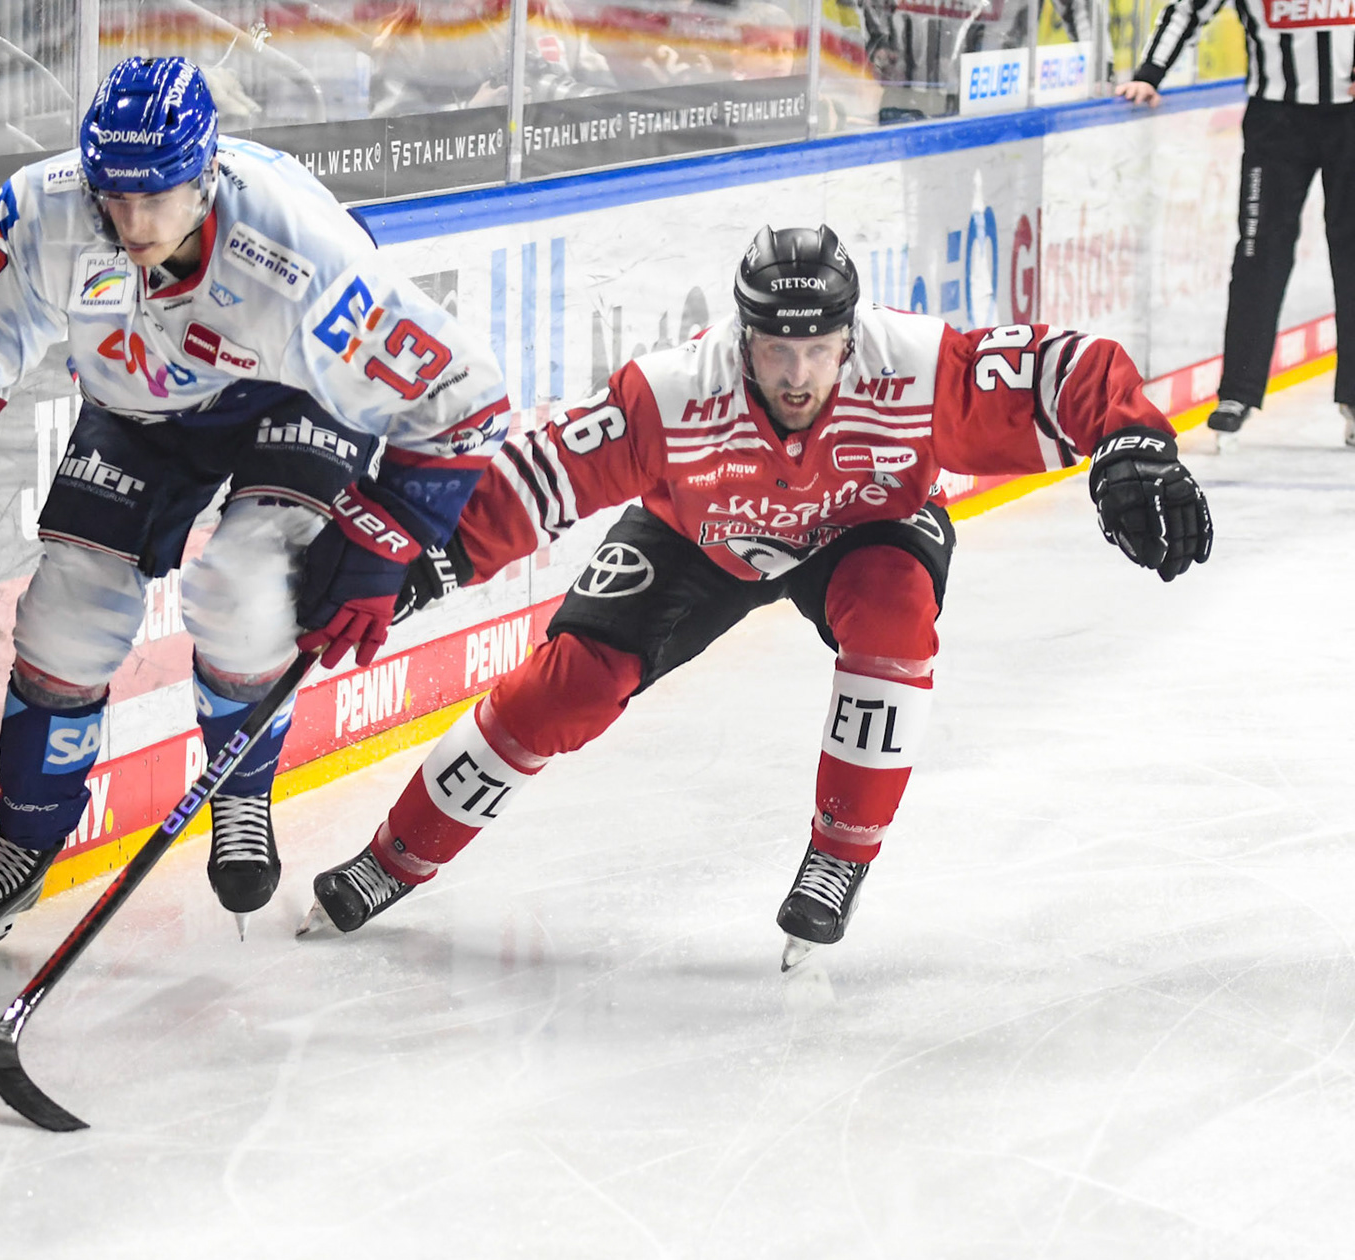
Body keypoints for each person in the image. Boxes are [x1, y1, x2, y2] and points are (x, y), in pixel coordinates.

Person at [303, 225, 1212, 969]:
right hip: (699, 539)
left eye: (819, 347)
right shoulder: (670, 394)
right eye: (778, 347)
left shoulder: (914, 363)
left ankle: (838, 857)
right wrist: (421, 556)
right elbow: (546, 474)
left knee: (896, 621)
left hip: (865, 529)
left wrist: (1134, 442)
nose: (798, 374)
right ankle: (394, 858)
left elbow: (1063, 366)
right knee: (567, 687)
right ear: (745, 336)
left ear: (850, 335)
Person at [0, 55, 508, 957]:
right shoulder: (52, 208)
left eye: (157, 196)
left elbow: (464, 395)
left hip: (290, 397)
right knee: (67, 614)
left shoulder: (298, 253)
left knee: (245, 590)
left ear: (206, 173)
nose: (131, 222)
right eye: (114, 196)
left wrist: (387, 537)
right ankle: (23, 844)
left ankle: (242, 790)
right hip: (139, 406)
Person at [1117, 0, 1355, 447]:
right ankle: (1237, 393)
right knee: (1258, 253)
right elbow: (1187, 9)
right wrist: (1151, 73)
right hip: (1277, 119)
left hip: (1351, 118)